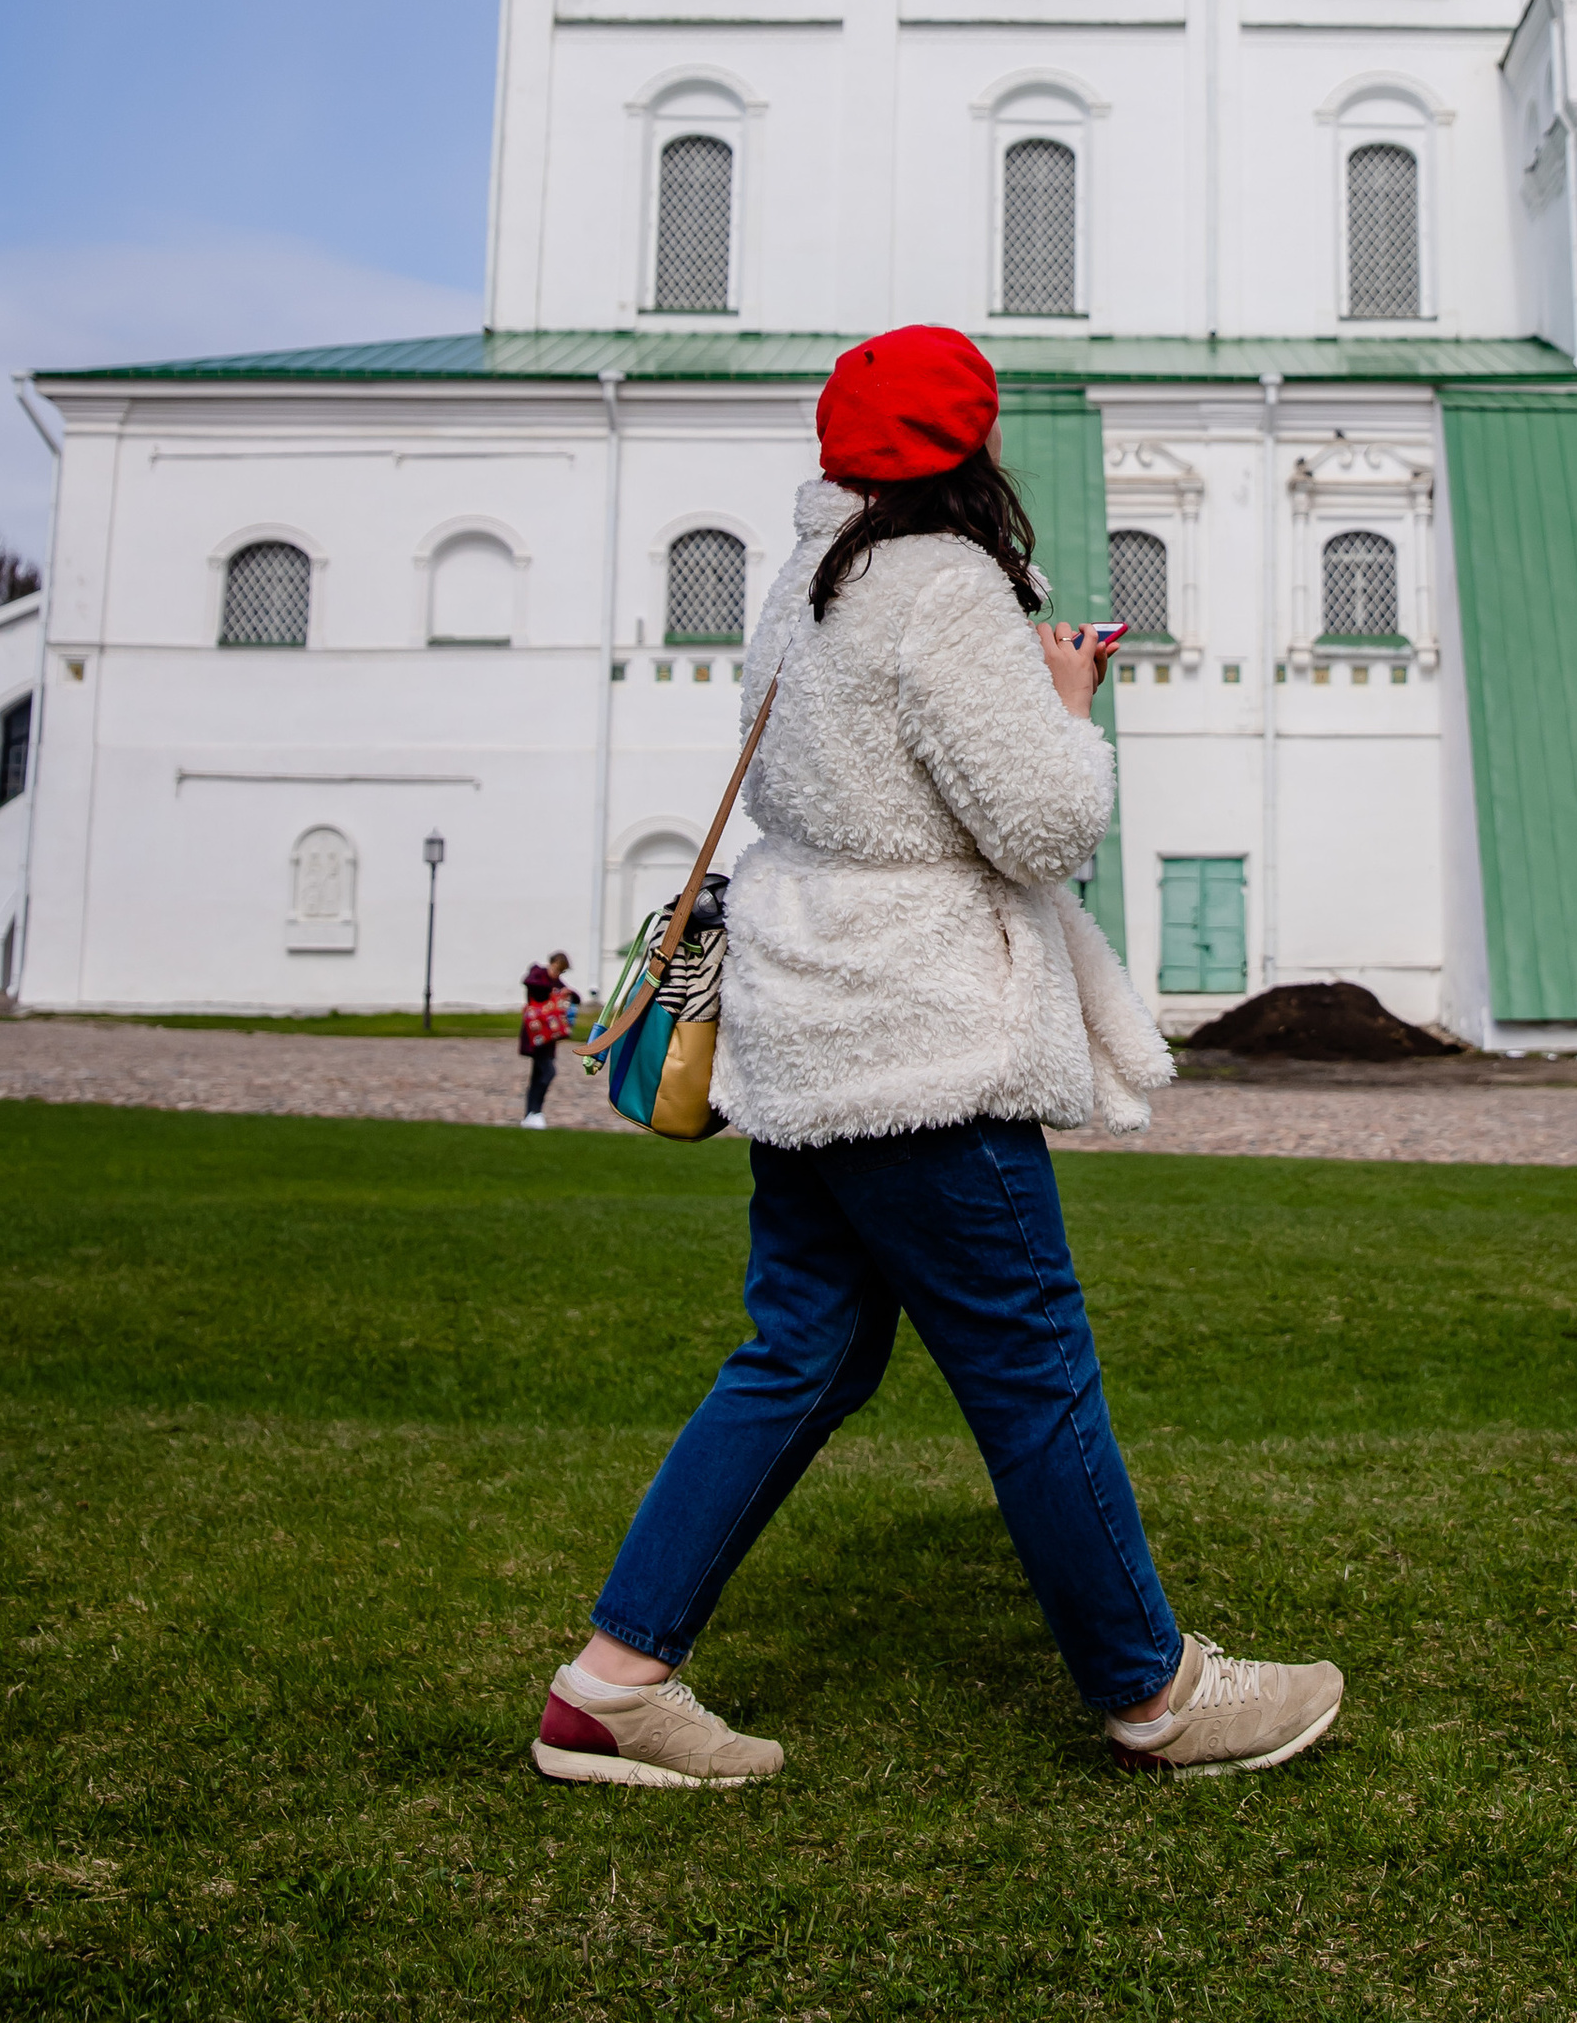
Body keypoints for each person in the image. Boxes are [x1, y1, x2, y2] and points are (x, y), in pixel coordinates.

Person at [532, 323, 1343, 1791]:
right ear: (972, 442)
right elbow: (1044, 825)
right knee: (1031, 1364)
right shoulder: (947, 583)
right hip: (919, 1031)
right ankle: (1154, 1693)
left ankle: (611, 1685)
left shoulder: (807, 580)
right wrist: (1067, 705)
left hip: (809, 1016)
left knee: (802, 1354)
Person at [518, 963, 572, 1128]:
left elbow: (574, 996)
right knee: (548, 1072)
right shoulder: (538, 975)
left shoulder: (557, 983)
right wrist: (552, 989)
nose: (558, 974)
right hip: (535, 1035)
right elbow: (530, 983)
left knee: (537, 1076)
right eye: (557, 970)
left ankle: (531, 1114)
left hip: (548, 1037)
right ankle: (534, 1111)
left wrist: (565, 992)